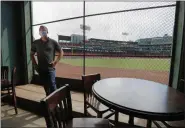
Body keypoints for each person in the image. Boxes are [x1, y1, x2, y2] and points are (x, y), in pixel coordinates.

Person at [30, 25, 63, 96]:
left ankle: (56, 102)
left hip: (50, 69)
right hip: (41, 69)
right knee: (46, 87)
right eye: (40, 30)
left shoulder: (53, 42)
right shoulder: (36, 43)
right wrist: (35, 65)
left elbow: (61, 52)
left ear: (47, 31)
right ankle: (49, 102)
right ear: (39, 33)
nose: (42, 31)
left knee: (52, 86)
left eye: (43, 30)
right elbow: (31, 54)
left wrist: (55, 62)